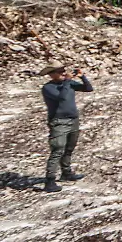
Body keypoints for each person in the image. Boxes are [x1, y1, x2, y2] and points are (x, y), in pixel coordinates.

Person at [38, 63, 93, 193]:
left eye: (64, 71)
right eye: (60, 71)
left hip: (73, 120)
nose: (63, 73)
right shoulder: (48, 88)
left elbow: (88, 88)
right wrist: (68, 81)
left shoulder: (68, 84)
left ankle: (66, 172)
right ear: (52, 74)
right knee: (58, 149)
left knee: (69, 147)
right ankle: (50, 180)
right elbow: (61, 98)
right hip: (59, 122)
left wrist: (82, 77)